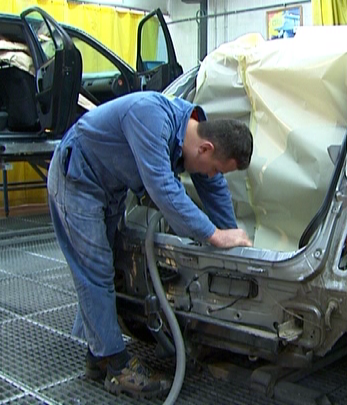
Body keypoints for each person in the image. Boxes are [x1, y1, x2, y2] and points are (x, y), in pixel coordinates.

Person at [47, 91, 253, 399]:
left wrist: (234, 240)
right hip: (78, 181)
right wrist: (214, 235)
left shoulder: (194, 132)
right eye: (216, 168)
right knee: (96, 271)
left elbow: (214, 188)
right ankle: (117, 368)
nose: (212, 174)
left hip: (108, 188)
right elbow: (162, 187)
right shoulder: (151, 118)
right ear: (206, 148)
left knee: (106, 267)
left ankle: (99, 356)